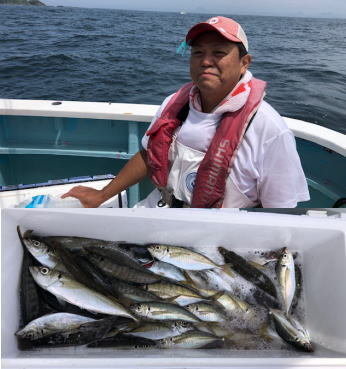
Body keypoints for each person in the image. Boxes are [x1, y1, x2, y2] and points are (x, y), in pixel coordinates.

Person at [62, 16, 310, 208]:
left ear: (244, 63)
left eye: (219, 53)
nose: (205, 61)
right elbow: (151, 156)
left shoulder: (268, 128)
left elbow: (281, 210)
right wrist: (103, 194)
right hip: (159, 211)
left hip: (219, 238)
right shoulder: (175, 103)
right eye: (198, 53)